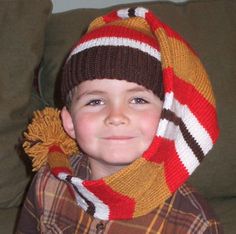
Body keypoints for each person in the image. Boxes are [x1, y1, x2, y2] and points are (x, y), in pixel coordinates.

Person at [16, 7, 223, 233]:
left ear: (167, 115)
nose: (116, 117)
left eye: (137, 100)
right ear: (69, 122)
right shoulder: (49, 181)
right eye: (95, 102)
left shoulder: (194, 220)